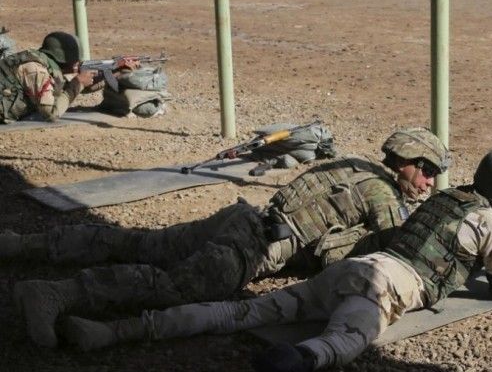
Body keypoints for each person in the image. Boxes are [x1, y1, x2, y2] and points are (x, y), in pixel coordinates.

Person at [55, 146, 492, 372]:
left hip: (350, 271)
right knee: (342, 345)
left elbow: (459, 236)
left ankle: (116, 331)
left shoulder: (445, 198)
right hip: (382, 288)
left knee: (241, 313)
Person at [10, 127, 451, 348]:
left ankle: (23, 244)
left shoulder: (357, 165)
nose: (429, 182)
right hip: (256, 244)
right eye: (426, 170)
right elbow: (395, 254)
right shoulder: (382, 194)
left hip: (243, 219)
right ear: (405, 162)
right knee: (178, 287)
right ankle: (57, 293)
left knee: (142, 242)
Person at [0, 31, 137, 123]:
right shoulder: (36, 70)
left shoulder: (45, 64)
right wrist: (78, 82)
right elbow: (51, 114)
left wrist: (114, 71)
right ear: (63, 59)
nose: (78, 64)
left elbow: (74, 88)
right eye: (76, 61)